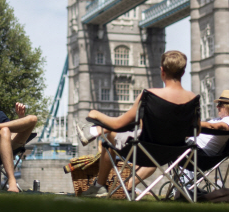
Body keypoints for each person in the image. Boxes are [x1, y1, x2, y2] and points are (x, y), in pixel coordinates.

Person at [82, 50, 198, 198]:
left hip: (144, 151)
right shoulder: (193, 99)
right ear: (183, 73)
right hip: (174, 154)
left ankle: (99, 186)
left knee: (110, 133)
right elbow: (196, 132)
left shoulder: (149, 95)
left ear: (162, 71)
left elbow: (117, 124)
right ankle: (121, 186)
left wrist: (95, 113)